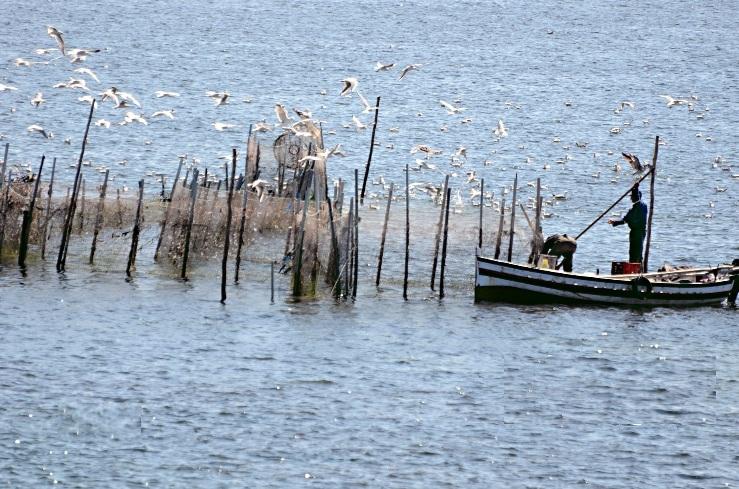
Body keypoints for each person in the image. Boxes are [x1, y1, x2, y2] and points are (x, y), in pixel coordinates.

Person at [608, 186, 648, 263]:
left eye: (632, 197)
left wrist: (636, 188)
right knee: (638, 252)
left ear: (635, 197)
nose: (630, 199)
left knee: (634, 253)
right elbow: (626, 220)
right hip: (642, 232)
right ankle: (639, 268)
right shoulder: (643, 206)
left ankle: (635, 269)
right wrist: (615, 222)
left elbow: (625, 220)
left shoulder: (636, 208)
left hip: (636, 233)